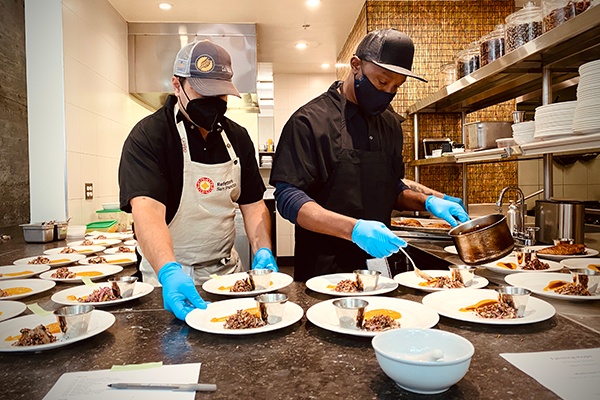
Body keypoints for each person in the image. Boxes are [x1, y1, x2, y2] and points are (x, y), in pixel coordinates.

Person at [269, 29, 469, 281]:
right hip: (324, 268)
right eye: (382, 82)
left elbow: (391, 186)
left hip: (378, 265)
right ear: (356, 65)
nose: (388, 92)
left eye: (397, 86)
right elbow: (288, 198)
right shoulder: (309, 121)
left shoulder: (391, 124)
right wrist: (354, 229)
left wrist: (427, 202)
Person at [119, 40, 277, 320]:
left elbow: (253, 206)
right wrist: (168, 271)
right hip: (167, 281)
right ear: (177, 85)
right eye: (203, 92)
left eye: (221, 94)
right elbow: (148, 214)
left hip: (228, 278)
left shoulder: (237, 137)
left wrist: (263, 249)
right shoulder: (149, 137)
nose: (214, 103)